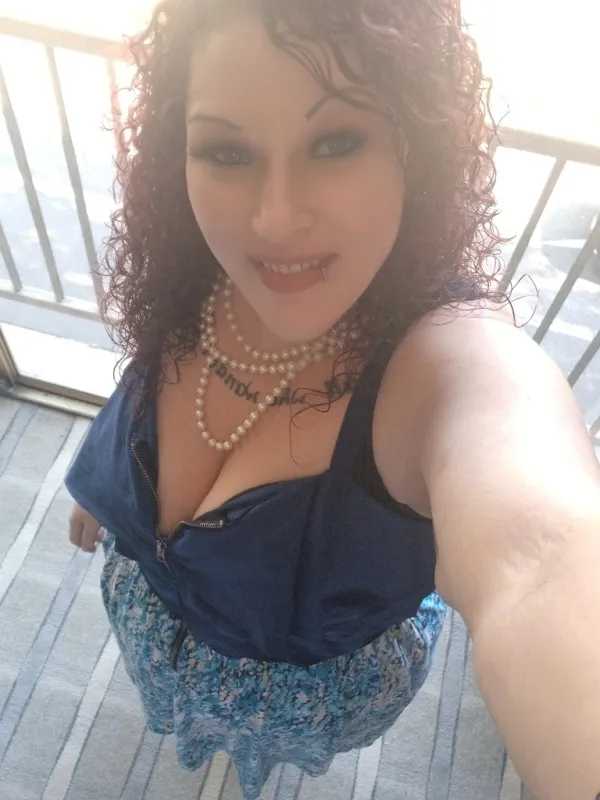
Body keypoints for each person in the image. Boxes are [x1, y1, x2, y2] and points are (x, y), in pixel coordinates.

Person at [66, 1, 600, 798]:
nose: (275, 218)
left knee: (261, 756)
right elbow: (143, 385)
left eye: (337, 141)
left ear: (413, 147)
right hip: (148, 617)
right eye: (227, 151)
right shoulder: (194, 264)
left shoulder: (449, 368)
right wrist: (105, 492)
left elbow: (543, 558)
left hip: (299, 693)